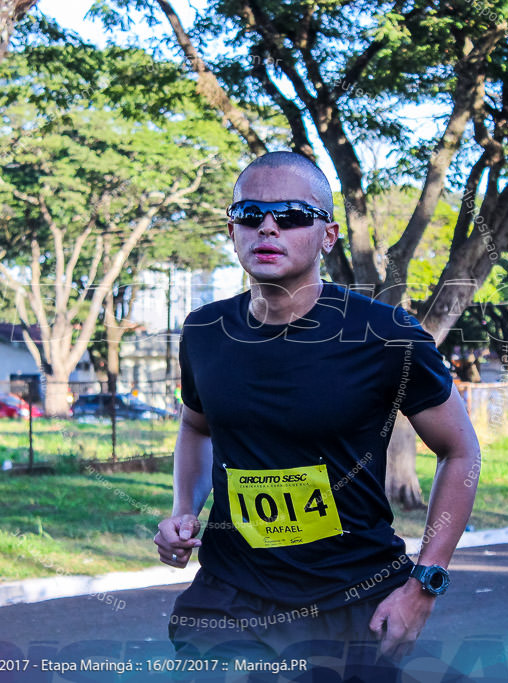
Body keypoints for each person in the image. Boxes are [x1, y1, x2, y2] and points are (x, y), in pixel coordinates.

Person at [154, 152, 482, 672]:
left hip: (352, 602)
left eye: (289, 215)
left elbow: (460, 450)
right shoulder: (204, 332)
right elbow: (197, 426)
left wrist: (425, 583)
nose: (267, 226)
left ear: (328, 236)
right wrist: (183, 510)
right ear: (232, 229)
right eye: (250, 214)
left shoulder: (386, 335)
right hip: (230, 596)